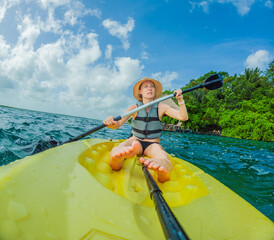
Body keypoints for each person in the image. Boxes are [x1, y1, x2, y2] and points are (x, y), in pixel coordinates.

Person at [103, 77, 188, 182]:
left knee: (162, 156)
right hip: (135, 141)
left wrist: (180, 100)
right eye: (146, 86)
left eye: (152, 86)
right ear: (140, 91)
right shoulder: (134, 108)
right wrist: (110, 122)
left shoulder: (162, 107)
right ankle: (116, 160)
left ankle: (163, 169)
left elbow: (183, 117)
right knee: (121, 147)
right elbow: (118, 124)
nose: (150, 88)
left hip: (152, 145)